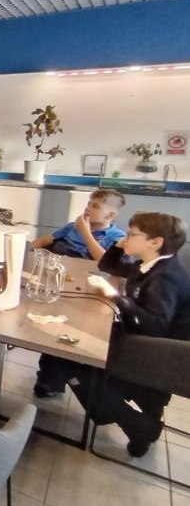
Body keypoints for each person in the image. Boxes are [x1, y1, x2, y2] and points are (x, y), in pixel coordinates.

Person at [37, 212, 190, 458]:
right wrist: (119, 247)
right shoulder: (152, 264)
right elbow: (108, 266)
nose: (126, 236)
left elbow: (154, 325)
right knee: (70, 348)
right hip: (149, 342)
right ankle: (142, 412)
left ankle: (135, 424)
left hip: (160, 353)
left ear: (155, 242)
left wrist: (115, 296)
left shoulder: (165, 276)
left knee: (68, 355)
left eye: (132, 234)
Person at [31, 189, 126, 260]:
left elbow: (105, 261)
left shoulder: (117, 236)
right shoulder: (72, 226)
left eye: (95, 206)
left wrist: (85, 232)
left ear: (110, 215)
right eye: (89, 204)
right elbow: (43, 241)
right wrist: (24, 250)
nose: (88, 208)